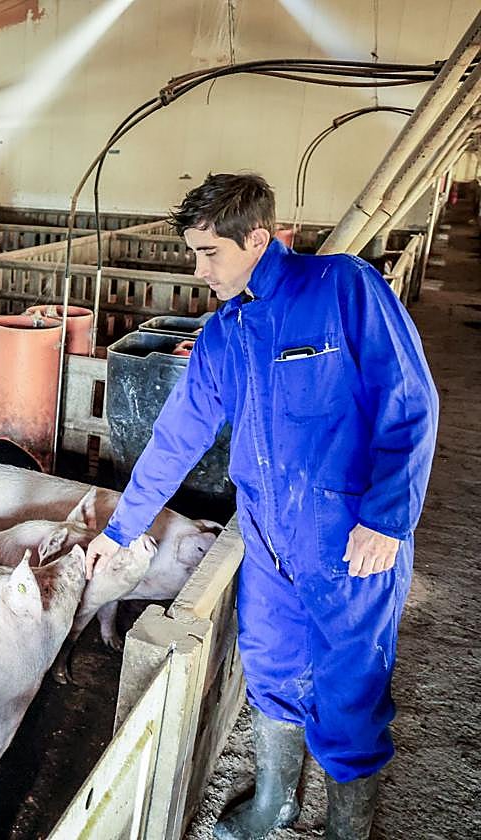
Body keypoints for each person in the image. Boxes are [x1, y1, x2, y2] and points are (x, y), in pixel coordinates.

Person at [84, 173, 438, 840]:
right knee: (272, 665)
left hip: (350, 535)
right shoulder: (222, 333)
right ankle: (277, 801)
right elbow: (177, 435)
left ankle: (348, 827)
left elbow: (410, 402)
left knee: (350, 683)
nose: (199, 268)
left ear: (257, 237)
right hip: (268, 538)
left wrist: (389, 519)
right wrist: (122, 528)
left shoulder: (342, 288)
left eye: (208, 252)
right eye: (192, 253)